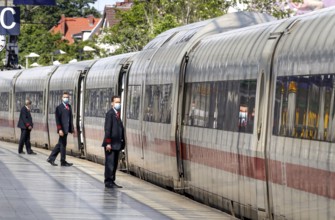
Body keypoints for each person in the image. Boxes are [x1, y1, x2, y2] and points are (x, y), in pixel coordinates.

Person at [102, 95, 125, 188]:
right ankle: (108, 181)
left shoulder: (117, 114)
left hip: (116, 144)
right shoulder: (110, 114)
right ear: (112, 103)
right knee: (110, 163)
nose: (118, 104)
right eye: (116, 102)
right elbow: (107, 129)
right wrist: (108, 143)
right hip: (110, 144)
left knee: (114, 163)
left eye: (119, 102)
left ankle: (112, 180)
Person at [47, 92, 74, 167]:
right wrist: (59, 129)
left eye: (67, 97)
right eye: (65, 97)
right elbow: (57, 120)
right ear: (62, 98)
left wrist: (72, 128)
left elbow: (70, 118)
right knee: (62, 145)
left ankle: (53, 159)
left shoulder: (69, 107)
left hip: (66, 129)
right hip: (62, 129)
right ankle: (61, 161)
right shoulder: (59, 108)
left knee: (61, 145)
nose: (66, 98)